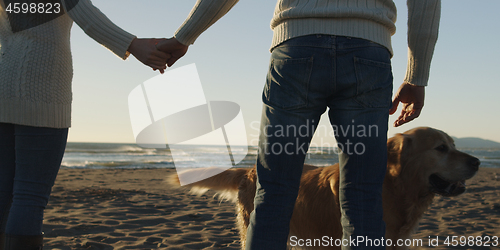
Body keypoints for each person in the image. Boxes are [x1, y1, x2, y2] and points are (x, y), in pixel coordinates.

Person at [158, 0, 440, 249]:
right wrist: (417, 75)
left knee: (274, 192)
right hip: (368, 54)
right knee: (364, 196)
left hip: (296, 49)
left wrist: (184, 37)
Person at [0, 0, 170, 249]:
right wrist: (133, 45)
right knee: (30, 196)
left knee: (4, 193)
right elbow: (84, 13)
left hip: (4, 86)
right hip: (42, 92)